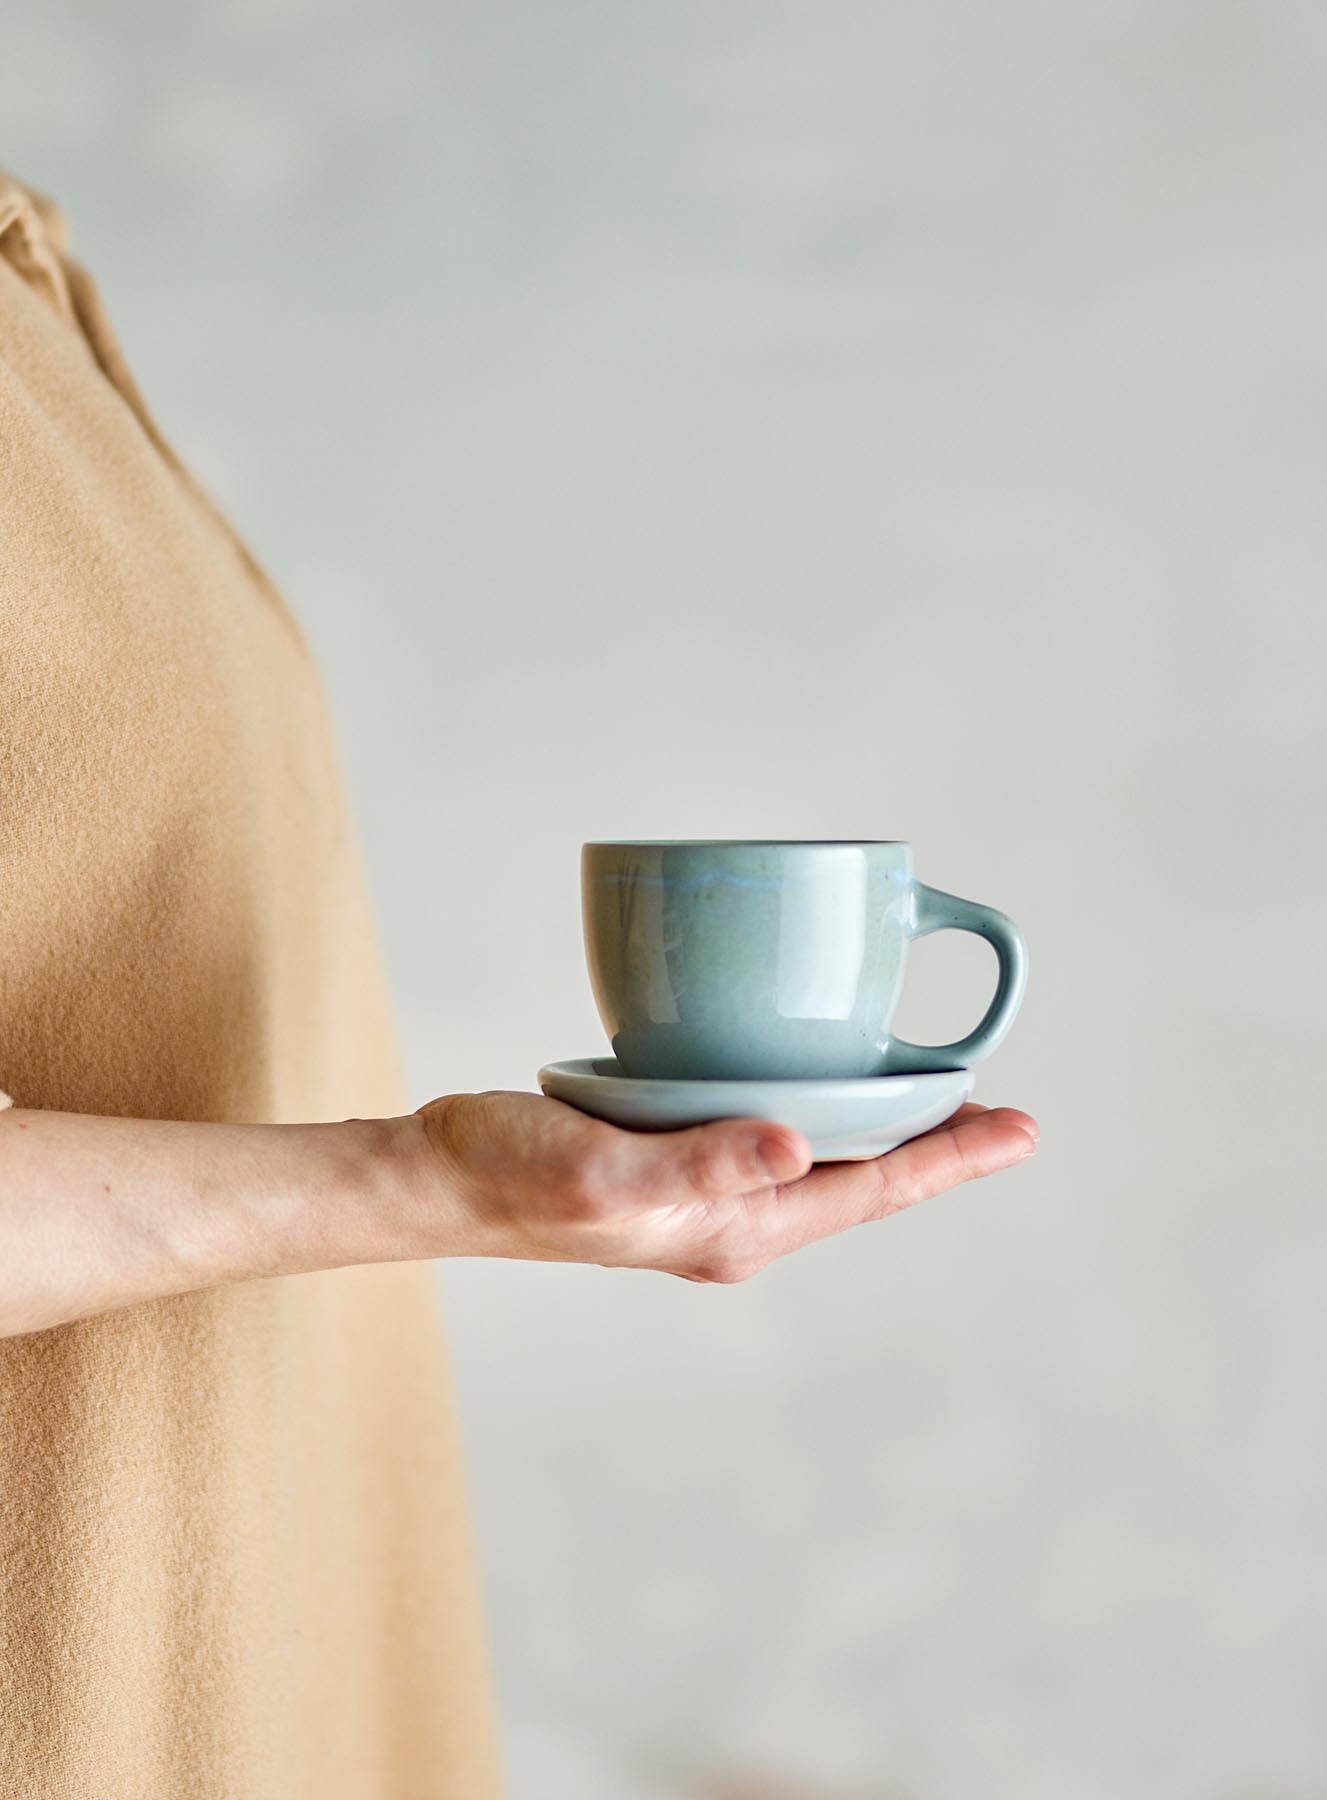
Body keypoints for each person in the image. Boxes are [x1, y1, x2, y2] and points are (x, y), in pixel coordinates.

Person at [0, 166, 1038, 1799]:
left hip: (252, 1580)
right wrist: (417, 1180)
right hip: (70, 1652)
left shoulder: (31, 278)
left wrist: (439, 1189)